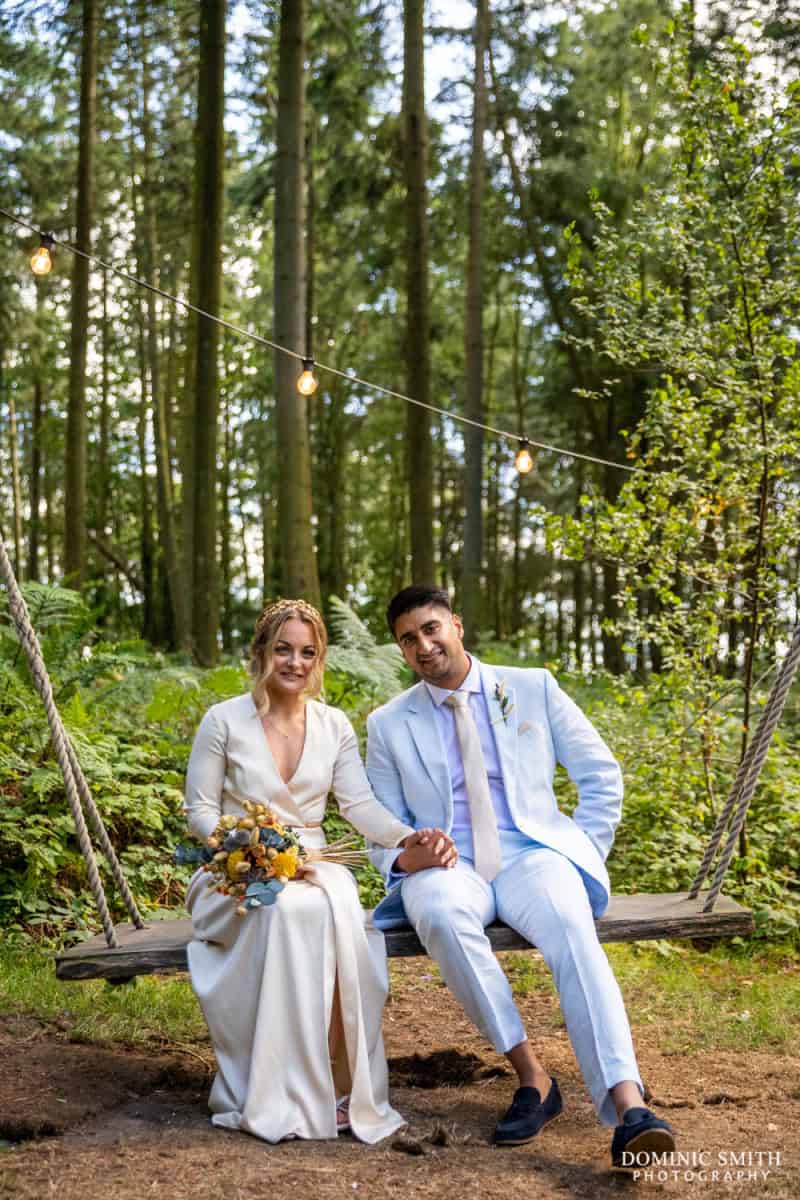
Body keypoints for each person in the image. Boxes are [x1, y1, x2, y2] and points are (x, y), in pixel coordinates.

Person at [365, 585, 676, 1168]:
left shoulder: (531, 687)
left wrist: (582, 849)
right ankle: (533, 1078)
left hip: (534, 852)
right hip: (450, 862)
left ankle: (630, 1106)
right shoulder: (388, 724)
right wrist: (408, 856)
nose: (423, 646)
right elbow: (380, 825)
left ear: (456, 624)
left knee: (570, 925)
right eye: (409, 639)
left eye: (432, 629)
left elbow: (600, 774)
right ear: (401, 650)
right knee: (437, 913)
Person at [184, 597, 457, 1144]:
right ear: (261, 652)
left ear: (319, 659)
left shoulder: (333, 725)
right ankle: (282, 1087)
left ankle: (336, 1085)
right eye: (283, 649)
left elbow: (358, 805)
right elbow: (200, 811)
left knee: (333, 915)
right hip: (234, 871)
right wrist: (247, 847)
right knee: (286, 911)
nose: (295, 662)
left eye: (307, 652)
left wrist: (408, 837)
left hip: (317, 862)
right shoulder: (224, 720)